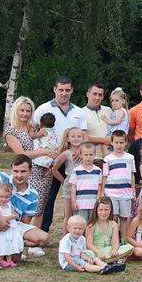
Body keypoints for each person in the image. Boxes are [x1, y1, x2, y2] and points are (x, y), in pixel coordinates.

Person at [33, 76, 88, 232]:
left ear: (72, 91)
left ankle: (75, 233)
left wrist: (81, 151)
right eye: (61, 90)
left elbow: (84, 135)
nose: (64, 93)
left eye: (67, 90)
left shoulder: (78, 111)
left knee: (74, 199)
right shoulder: (43, 109)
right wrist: (43, 160)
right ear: (54, 89)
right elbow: (37, 136)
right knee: (46, 199)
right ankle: (41, 232)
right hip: (49, 162)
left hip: (73, 160)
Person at [3, 97, 59, 220]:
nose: (25, 114)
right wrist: (45, 152)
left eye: (28, 111)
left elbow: (50, 141)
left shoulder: (35, 127)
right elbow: (21, 154)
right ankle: (22, 237)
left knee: (39, 209)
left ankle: (33, 237)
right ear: (15, 111)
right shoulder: (11, 131)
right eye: (21, 110)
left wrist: (51, 164)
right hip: (25, 173)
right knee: (24, 208)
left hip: (44, 171)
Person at [102, 130, 136, 231]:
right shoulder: (107, 158)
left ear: (126, 143)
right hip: (111, 193)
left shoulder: (130, 157)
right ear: (112, 143)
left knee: (124, 217)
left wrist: (133, 190)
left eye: (121, 142)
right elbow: (104, 176)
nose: (119, 145)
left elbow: (131, 175)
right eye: (116, 142)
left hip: (125, 193)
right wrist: (103, 191)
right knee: (113, 217)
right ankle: (113, 239)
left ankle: (124, 241)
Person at [51, 127, 85, 228]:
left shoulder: (85, 152)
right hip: (69, 185)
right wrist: (63, 181)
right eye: (73, 136)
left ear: (83, 138)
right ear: (68, 138)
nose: (76, 138)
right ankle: (66, 237)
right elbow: (54, 169)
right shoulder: (66, 154)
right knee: (68, 214)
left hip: (83, 184)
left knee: (80, 213)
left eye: (79, 136)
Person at [85, 197, 133, 263]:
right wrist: (98, 252)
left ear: (111, 210)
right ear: (96, 210)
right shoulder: (91, 225)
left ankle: (104, 261)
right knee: (87, 253)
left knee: (129, 247)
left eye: (106, 210)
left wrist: (114, 250)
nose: (103, 212)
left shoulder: (113, 224)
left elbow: (115, 242)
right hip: (95, 251)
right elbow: (89, 244)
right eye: (101, 210)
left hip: (108, 250)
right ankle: (113, 260)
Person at [0, 183, 23, 268]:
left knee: (9, 244)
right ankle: (0, 260)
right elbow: (1, 218)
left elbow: (13, 213)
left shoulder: (9, 205)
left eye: (7, 197)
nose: (4, 199)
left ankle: (9, 260)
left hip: (10, 228)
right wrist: (12, 216)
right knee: (1, 244)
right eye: (1, 197)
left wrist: (15, 215)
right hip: (2, 230)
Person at [68, 142, 102, 222]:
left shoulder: (98, 170)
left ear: (94, 155)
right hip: (80, 204)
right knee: (80, 223)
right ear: (81, 155)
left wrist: (98, 201)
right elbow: (73, 187)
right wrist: (73, 201)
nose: (88, 157)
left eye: (91, 155)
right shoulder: (76, 170)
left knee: (91, 224)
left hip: (93, 204)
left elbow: (99, 187)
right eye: (86, 155)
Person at [79, 82, 112, 159]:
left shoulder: (108, 110)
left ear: (103, 97)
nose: (97, 97)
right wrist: (104, 140)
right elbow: (83, 138)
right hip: (92, 157)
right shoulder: (80, 113)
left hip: (111, 155)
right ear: (88, 94)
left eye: (100, 95)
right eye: (94, 94)